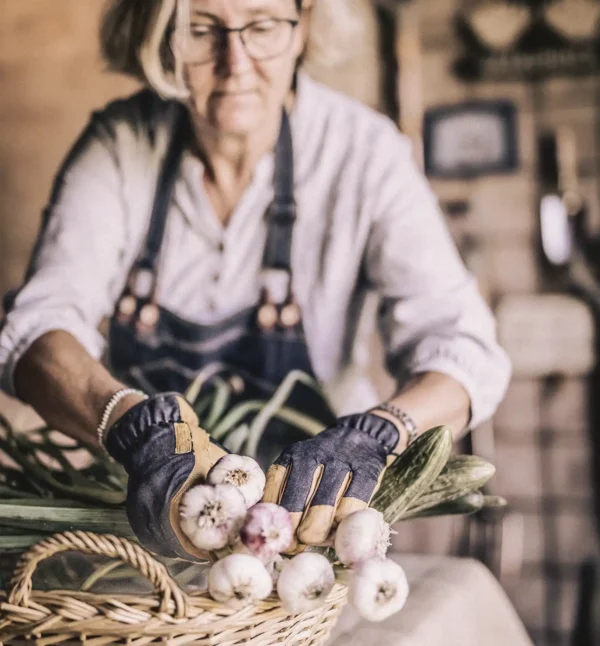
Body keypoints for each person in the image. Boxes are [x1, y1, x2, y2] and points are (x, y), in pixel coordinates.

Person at [0, 0, 511, 559]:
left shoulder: (364, 152)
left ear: (303, 27)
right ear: (158, 35)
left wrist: (381, 431)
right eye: (200, 29)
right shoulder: (122, 144)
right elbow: (35, 331)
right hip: (155, 530)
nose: (235, 62)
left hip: (314, 538)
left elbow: (464, 347)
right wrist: (130, 423)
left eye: (262, 25)